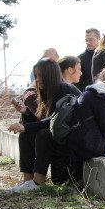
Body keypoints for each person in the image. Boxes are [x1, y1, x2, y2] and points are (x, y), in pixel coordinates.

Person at [7, 58, 82, 192]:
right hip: (61, 136)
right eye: (36, 76)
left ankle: (38, 182)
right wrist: (26, 112)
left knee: (43, 135)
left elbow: (53, 121)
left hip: (74, 141)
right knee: (26, 135)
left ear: (49, 75)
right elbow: (44, 120)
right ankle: (28, 181)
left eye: (40, 75)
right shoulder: (48, 91)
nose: (37, 79)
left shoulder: (64, 89)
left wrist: (26, 126)